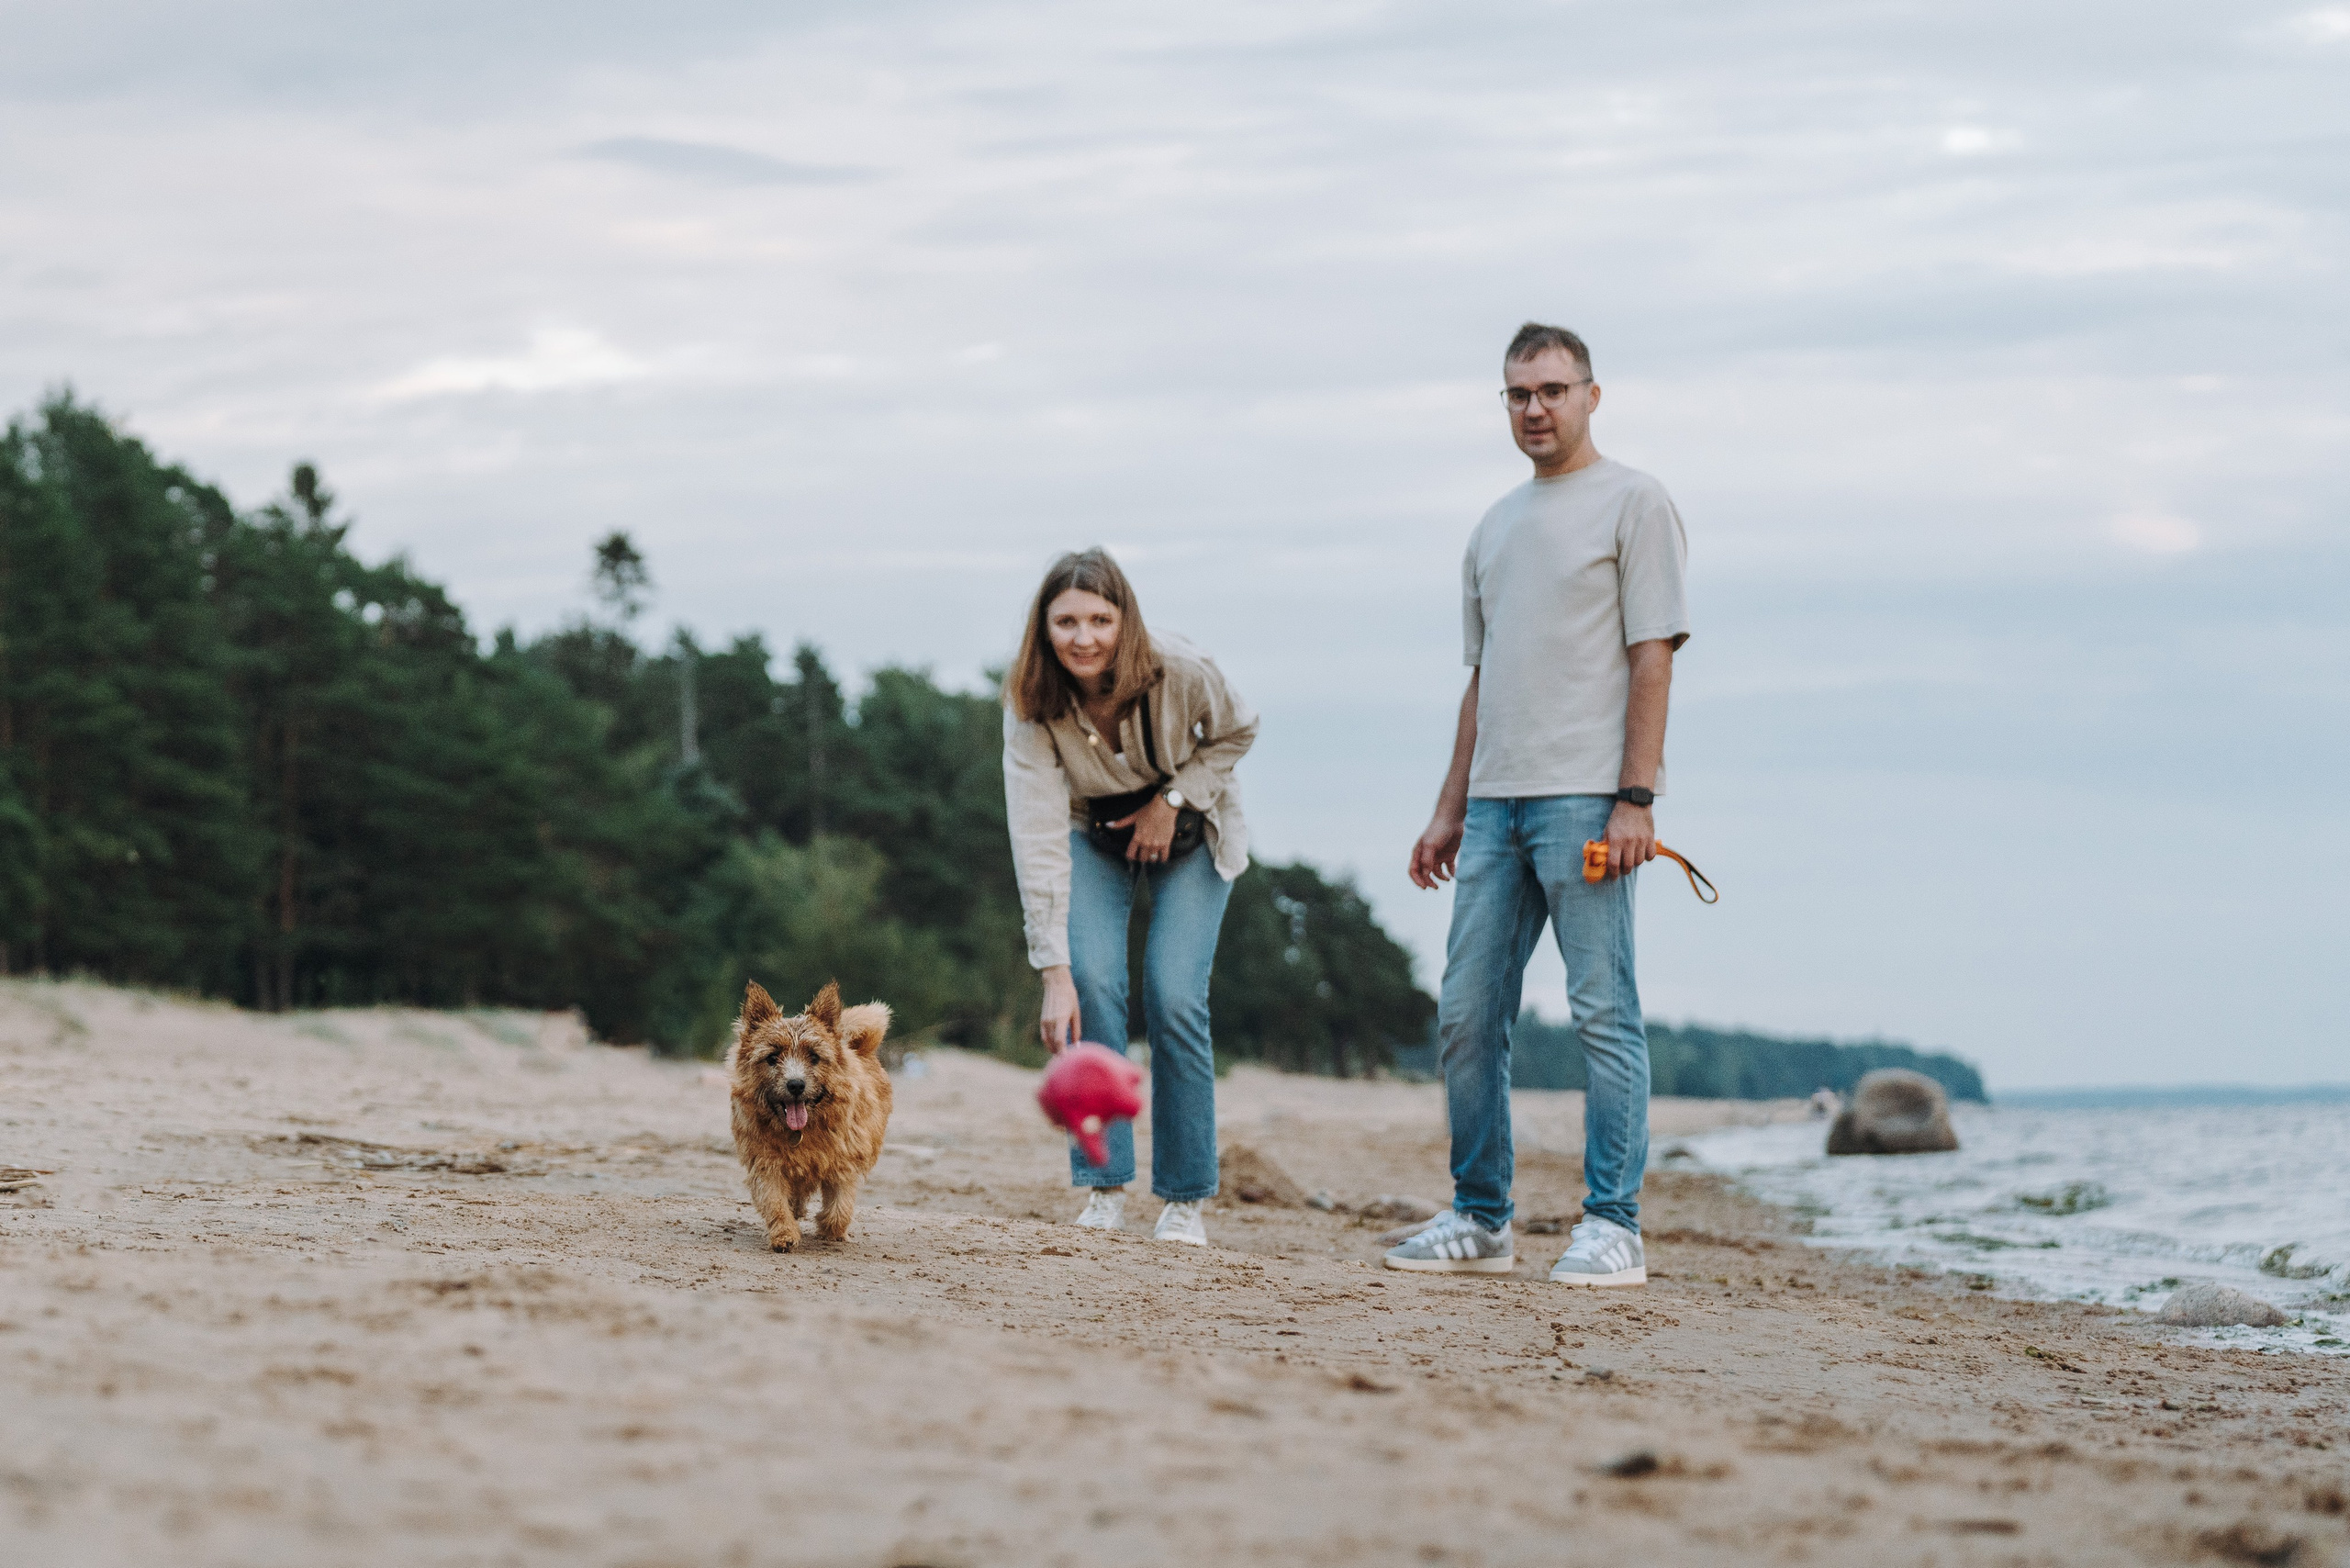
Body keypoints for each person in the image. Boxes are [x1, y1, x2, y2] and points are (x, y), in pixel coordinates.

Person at [1385, 322, 1690, 1285]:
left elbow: (1653, 655)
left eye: (1553, 390)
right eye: (1519, 393)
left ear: (1591, 396)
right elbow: (1484, 679)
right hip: (1492, 808)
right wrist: (1447, 808)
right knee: (1467, 1013)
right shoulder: (1493, 526)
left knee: (1604, 1010)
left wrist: (1634, 797)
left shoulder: (1634, 503)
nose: (1535, 409)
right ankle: (1480, 1216)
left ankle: (1613, 1225)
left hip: (1586, 801)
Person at [1002, 548, 1258, 1246]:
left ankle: (1183, 1199)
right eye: (1066, 622)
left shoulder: (1183, 670)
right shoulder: (1031, 706)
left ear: (1124, 620)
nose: (1083, 638)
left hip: (1191, 826)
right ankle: (1104, 1186)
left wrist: (1172, 800)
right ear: (1043, 629)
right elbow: (1038, 836)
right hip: (1093, 832)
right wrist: (1053, 973)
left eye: (1099, 619)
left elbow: (1240, 729)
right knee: (1091, 985)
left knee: (1174, 995)